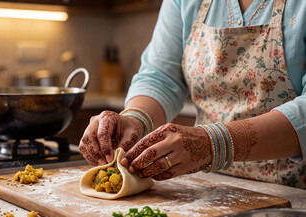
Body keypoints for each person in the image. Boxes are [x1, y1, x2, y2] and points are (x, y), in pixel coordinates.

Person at [79, 0, 306, 189]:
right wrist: (135, 120)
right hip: (207, 187)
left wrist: (213, 144)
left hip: (294, 194)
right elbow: (161, 76)